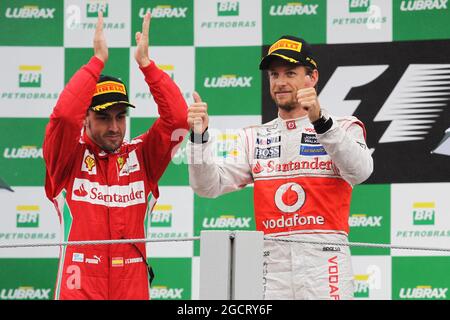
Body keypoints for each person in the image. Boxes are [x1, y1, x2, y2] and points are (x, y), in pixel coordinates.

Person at [187, 35, 373, 300]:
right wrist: (198, 138)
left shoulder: (342, 126)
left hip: (326, 265)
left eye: (290, 73)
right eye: (274, 74)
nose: (280, 82)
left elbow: (361, 171)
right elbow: (207, 186)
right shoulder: (253, 136)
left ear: (312, 77)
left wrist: (321, 122)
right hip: (271, 267)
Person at [43, 12, 188, 300]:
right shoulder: (67, 157)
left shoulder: (142, 156)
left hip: (131, 285)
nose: (114, 127)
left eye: (120, 117)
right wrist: (96, 62)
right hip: (80, 287)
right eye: (103, 117)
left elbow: (179, 120)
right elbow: (62, 117)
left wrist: (147, 66)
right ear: (86, 118)